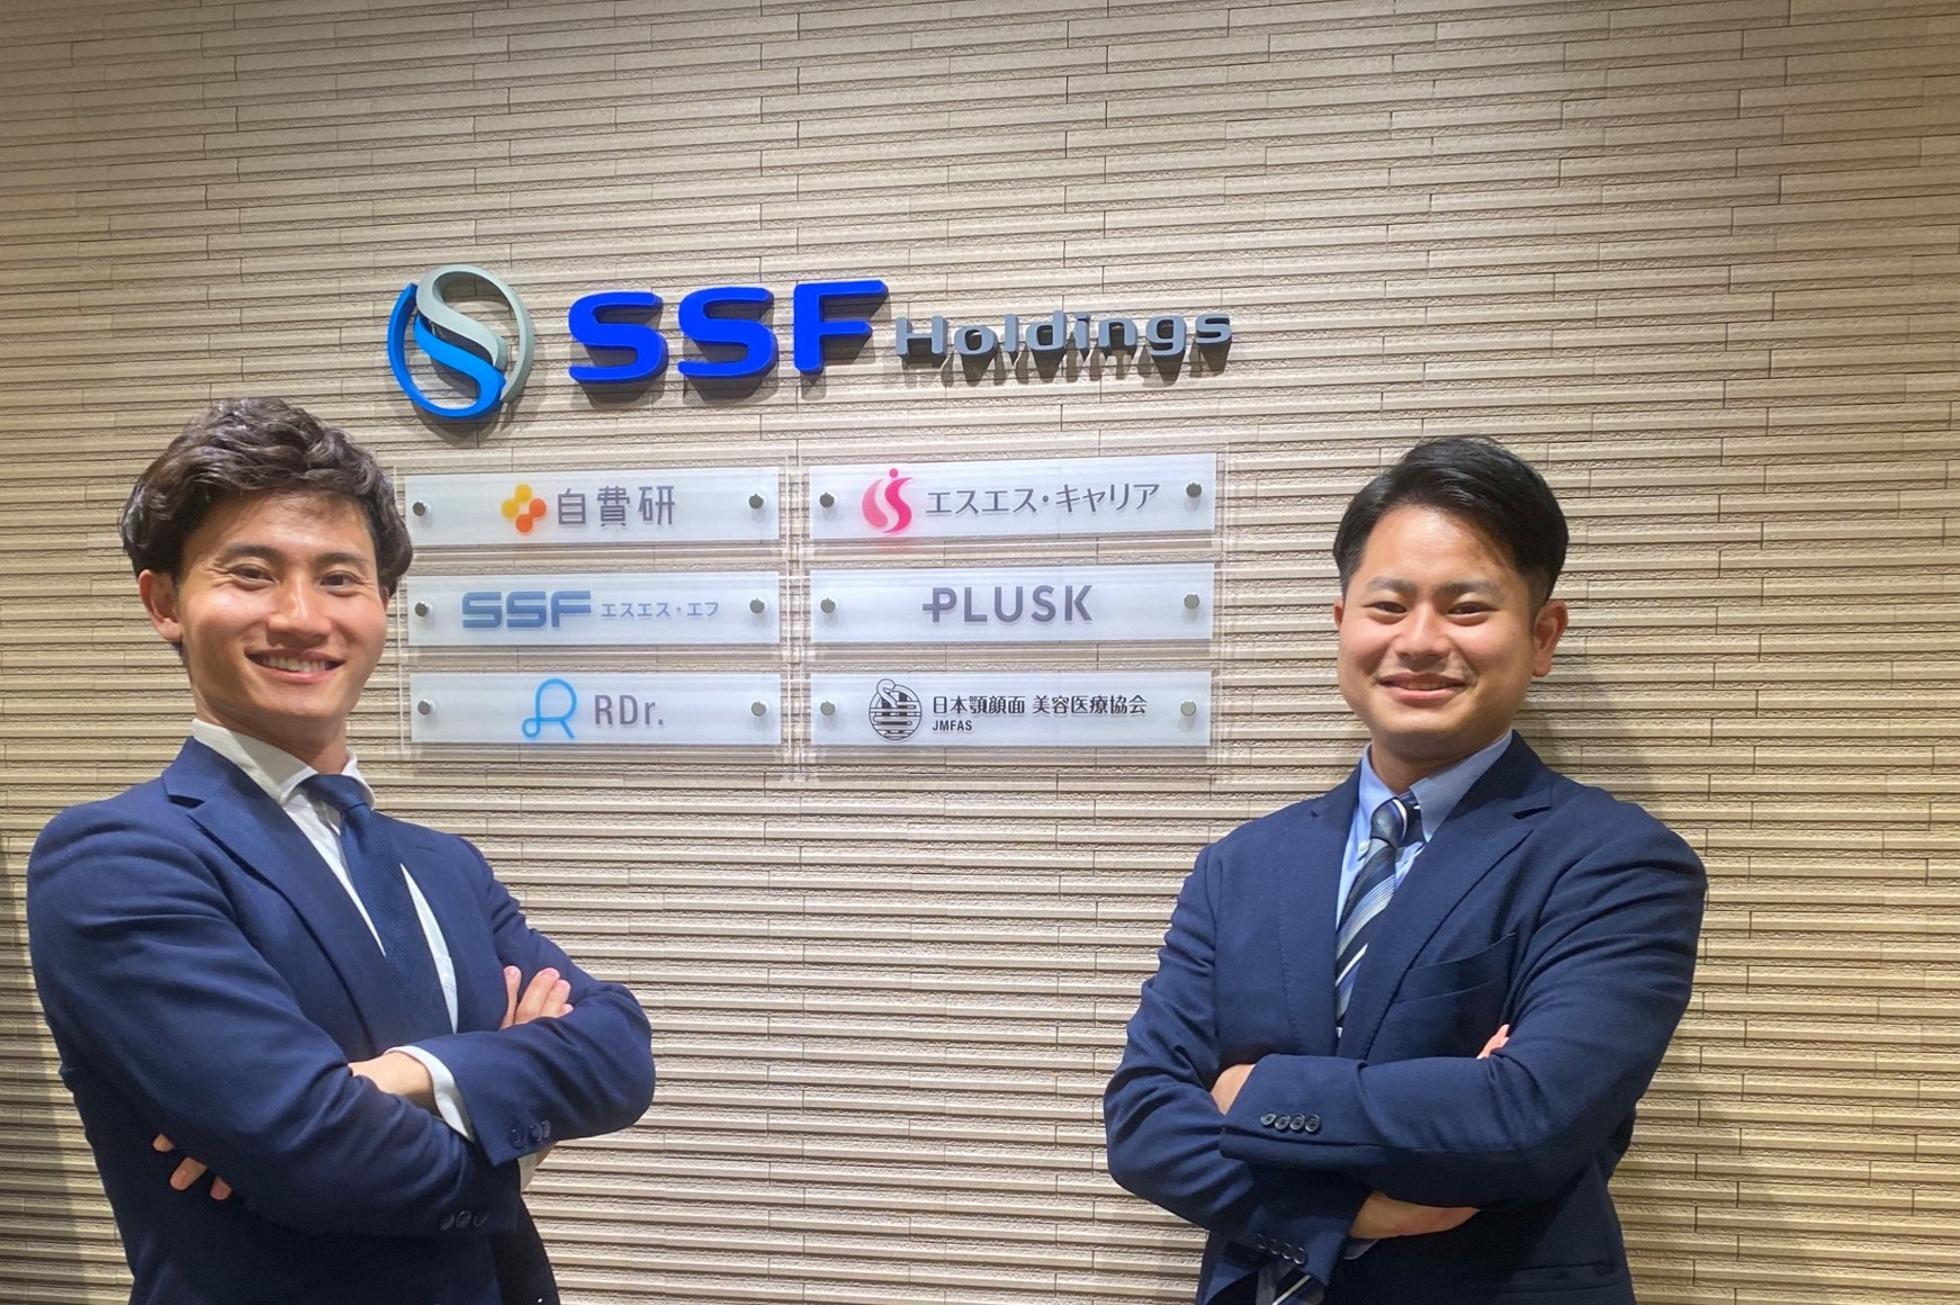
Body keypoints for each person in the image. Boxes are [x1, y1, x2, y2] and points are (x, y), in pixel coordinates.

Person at [27, 398, 656, 1305]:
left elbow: (618, 1050)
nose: (300, 616)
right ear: (165, 602)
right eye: (252, 573)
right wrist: (518, 1128)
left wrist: (403, 1076)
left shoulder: (443, 865)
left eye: (339, 578)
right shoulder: (118, 859)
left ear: (383, 605)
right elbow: (318, 1156)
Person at [1104, 438, 1705, 1304]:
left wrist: (1252, 1090)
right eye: (1388, 605)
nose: (1419, 641)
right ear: (1342, 620)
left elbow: (1528, 1117)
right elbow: (1145, 1122)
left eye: (1466, 607)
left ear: (1542, 635)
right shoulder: (1241, 864)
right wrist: (1347, 1211)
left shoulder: (1617, 862)